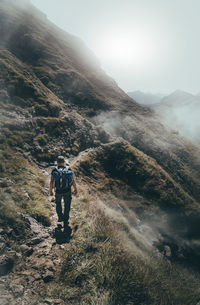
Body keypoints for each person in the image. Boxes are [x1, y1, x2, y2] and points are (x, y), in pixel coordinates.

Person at [49, 155, 78, 230]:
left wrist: (51, 191)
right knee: (67, 205)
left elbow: (52, 181)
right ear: (64, 162)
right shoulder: (68, 169)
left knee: (58, 204)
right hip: (67, 190)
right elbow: (73, 180)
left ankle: (60, 218)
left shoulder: (54, 170)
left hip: (58, 191)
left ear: (57, 162)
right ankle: (66, 220)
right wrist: (75, 189)